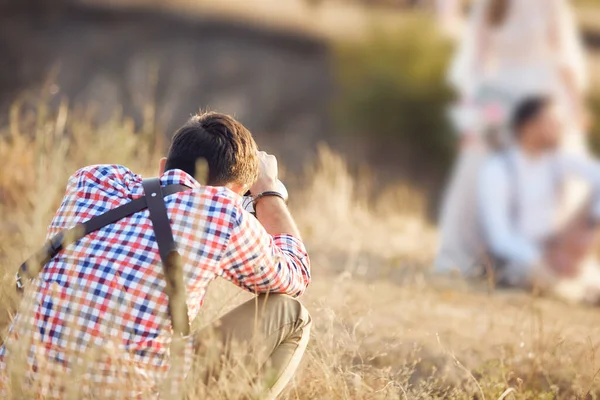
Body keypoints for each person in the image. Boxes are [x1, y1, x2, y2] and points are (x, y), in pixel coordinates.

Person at [0, 112, 312, 398]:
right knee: (292, 315)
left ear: (163, 167)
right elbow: (296, 274)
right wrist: (268, 191)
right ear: (238, 189)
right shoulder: (222, 210)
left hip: (16, 386)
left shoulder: (91, 179)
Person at [435, 0, 588, 275]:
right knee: (488, 163)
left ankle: (534, 255)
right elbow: (563, 59)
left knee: (545, 168)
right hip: (522, 96)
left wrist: (476, 115)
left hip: (518, 95)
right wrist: (575, 108)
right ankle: (513, 255)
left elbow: (478, 67)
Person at [479, 97, 600, 302]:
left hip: (559, 253)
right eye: (552, 123)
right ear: (529, 127)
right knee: (556, 285)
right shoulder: (497, 169)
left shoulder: (557, 160)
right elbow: (499, 238)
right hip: (519, 260)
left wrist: (590, 225)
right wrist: (545, 259)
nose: (560, 129)